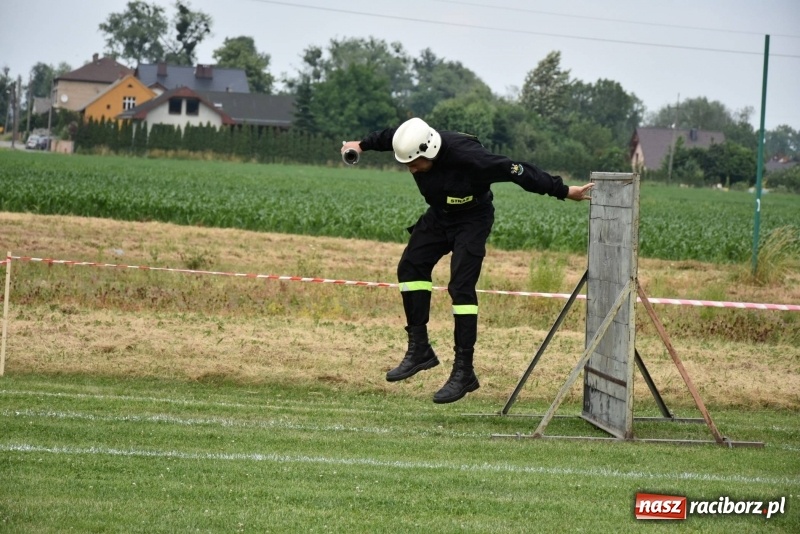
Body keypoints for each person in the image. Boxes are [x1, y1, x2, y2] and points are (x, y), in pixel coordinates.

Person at [341, 118, 593, 404]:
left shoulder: (471, 158)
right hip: (439, 215)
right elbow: (388, 136)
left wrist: (563, 190)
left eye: (414, 163)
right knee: (411, 267)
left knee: (460, 286)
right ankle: (420, 349)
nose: (410, 169)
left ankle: (464, 372)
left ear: (430, 150)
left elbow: (519, 171)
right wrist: (359, 145)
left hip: (472, 219)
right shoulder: (411, 140)